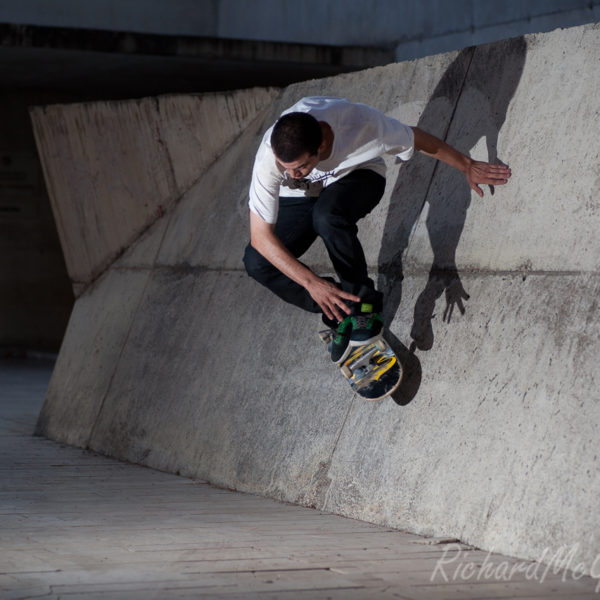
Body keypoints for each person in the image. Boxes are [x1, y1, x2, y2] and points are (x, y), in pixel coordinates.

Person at [243, 96, 511, 363]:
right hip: (303, 198)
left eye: (300, 167)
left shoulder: (362, 126)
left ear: (321, 145)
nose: (292, 175)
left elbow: (416, 138)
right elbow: (260, 238)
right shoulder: (272, 154)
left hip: (359, 177)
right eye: (286, 169)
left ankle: (364, 307)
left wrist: (467, 165)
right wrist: (313, 284)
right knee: (257, 263)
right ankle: (342, 310)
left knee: (327, 217)